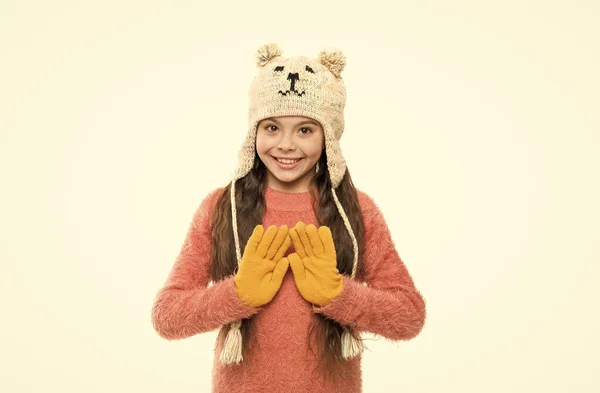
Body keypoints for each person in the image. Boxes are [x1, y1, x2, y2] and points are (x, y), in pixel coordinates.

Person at [151, 43, 426, 393]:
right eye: (271, 128)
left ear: (330, 137)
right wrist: (238, 293)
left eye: (305, 130)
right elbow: (167, 317)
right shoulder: (223, 207)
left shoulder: (357, 210)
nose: (285, 145)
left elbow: (409, 316)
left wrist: (339, 295)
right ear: (254, 132)